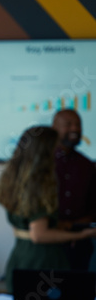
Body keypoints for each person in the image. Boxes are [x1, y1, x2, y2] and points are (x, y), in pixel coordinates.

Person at [0, 126, 96, 293]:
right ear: (44, 154)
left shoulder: (15, 180)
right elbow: (39, 235)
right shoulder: (39, 185)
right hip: (42, 262)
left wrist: (61, 225)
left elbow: (26, 226)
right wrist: (83, 235)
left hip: (21, 257)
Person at [52, 109, 96, 271]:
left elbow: (93, 208)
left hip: (80, 244)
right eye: (68, 124)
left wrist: (73, 226)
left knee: (79, 293)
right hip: (48, 243)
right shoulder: (44, 164)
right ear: (54, 128)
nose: (75, 129)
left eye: (78, 125)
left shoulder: (87, 165)